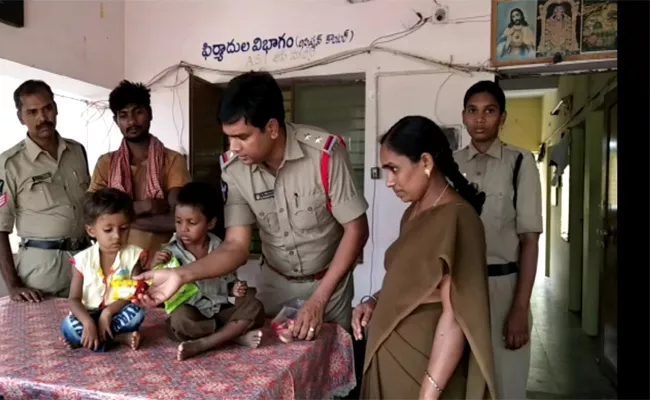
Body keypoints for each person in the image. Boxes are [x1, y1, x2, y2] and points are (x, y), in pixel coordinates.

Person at [134, 71, 369, 340]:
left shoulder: (324, 156)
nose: (233, 147)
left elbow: (356, 230)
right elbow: (236, 245)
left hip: (330, 287)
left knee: (330, 363)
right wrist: (181, 275)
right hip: (275, 284)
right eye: (229, 137)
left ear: (271, 128)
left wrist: (318, 301)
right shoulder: (235, 170)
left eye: (242, 137)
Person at [352, 116, 496, 399]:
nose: (390, 182)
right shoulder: (413, 213)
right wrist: (374, 301)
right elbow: (415, 281)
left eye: (394, 169)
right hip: (389, 360)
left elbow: (456, 316)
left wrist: (428, 393)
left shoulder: (459, 219)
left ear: (426, 162)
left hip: (422, 371)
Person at [454, 80, 543, 399]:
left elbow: (530, 240)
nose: (480, 119)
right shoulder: (449, 167)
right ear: (463, 116)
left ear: (502, 118)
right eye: (473, 111)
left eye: (489, 111)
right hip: (459, 289)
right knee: (461, 382)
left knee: (505, 384)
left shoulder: (520, 164)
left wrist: (520, 307)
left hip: (504, 289)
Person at [148, 182, 265, 361]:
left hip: (219, 311)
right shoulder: (169, 252)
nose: (183, 229)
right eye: (178, 222)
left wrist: (233, 288)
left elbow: (227, 283)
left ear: (210, 223)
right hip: (193, 314)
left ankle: (204, 343)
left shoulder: (222, 249)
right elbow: (153, 284)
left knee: (254, 306)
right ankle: (233, 335)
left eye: (192, 222)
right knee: (180, 320)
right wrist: (153, 264)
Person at [0, 80, 91, 302]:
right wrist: (13, 286)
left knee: (90, 333)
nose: (42, 118)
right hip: (40, 276)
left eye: (47, 108)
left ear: (56, 108)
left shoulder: (77, 151)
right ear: (21, 118)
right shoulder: (9, 163)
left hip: (85, 265)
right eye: (32, 112)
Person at [88, 80, 191, 254]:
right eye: (124, 115)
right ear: (116, 120)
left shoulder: (172, 160)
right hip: (115, 264)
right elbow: (90, 213)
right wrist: (142, 207)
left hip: (162, 260)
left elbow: (177, 220)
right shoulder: (106, 163)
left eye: (138, 112)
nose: (132, 121)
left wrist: (117, 219)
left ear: (149, 113)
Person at [60, 188, 146, 352]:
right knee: (69, 326)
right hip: (88, 315)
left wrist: (108, 313)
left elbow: (135, 293)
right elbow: (73, 299)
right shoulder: (82, 260)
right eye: (108, 230)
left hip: (116, 314)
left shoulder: (134, 256)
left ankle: (89, 341)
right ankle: (118, 339)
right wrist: (87, 323)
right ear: (92, 231)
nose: (117, 236)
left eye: (124, 228)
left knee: (137, 312)